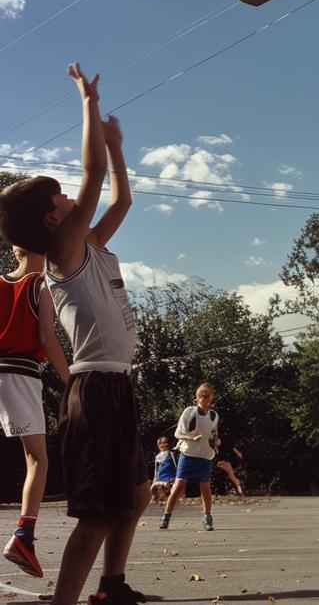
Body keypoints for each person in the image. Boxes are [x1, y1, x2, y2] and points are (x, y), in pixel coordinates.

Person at [0, 63, 150, 605]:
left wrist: (119, 148)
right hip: (95, 391)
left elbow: (121, 200)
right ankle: (66, 599)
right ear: (50, 221)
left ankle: (111, 585)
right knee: (98, 514)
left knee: (135, 493)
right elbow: (92, 175)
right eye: (61, 198)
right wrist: (88, 103)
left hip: (119, 384)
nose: (72, 199)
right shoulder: (64, 254)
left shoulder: (91, 245)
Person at [1, 246, 69, 577]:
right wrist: (72, 381)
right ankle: (24, 537)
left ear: (14, 249)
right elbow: (47, 337)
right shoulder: (42, 285)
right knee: (37, 459)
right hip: (20, 373)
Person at [159, 383, 219, 531]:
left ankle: (207, 518)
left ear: (212, 398)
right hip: (188, 455)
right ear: (197, 398)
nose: (204, 398)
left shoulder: (214, 415)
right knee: (178, 486)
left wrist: (216, 441)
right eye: (201, 396)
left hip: (205, 456)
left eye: (207, 396)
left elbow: (214, 435)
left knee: (205, 487)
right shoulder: (189, 412)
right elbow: (177, 433)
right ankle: (166, 516)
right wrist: (190, 436)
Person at [151, 436, 178, 503]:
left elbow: (176, 466)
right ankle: (161, 499)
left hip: (169, 478)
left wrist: (176, 477)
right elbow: (156, 469)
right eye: (160, 443)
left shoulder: (171, 454)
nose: (163, 445)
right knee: (156, 489)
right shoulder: (158, 456)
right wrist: (155, 479)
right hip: (159, 478)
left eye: (165, 442)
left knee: (167, 489)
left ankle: (168, 501)